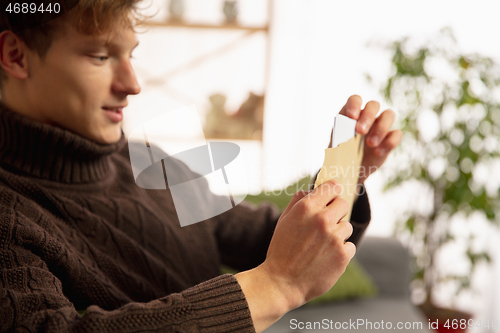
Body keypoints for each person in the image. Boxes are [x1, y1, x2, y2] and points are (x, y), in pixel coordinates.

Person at [0, 1, 402, 332]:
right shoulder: (10, 217)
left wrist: (348, 174)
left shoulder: (151, 162)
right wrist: (275, 285)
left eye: (131, 54)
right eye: (100, 55)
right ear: (16, 56)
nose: (132, 83)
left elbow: (267, 238)